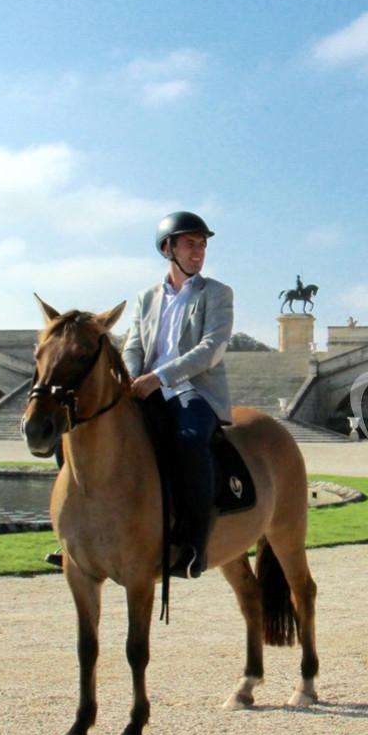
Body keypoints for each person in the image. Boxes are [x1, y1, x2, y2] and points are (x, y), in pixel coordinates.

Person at [121, 211, 234, 579]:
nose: (198, 251)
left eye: (202, 244)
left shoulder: (217, 293)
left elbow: (212, 348)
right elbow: (133, 345)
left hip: (194, 388)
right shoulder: (145, 298)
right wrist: (130, 376)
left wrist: (161, 376)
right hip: (146, 387)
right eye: (190, 243)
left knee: (189, 441)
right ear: (167, 248)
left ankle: (194, 545)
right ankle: (82, 534)